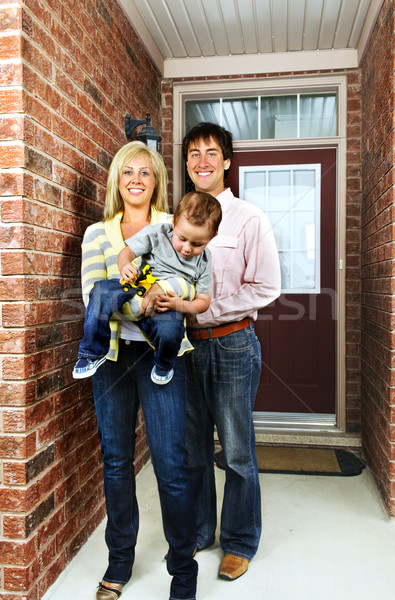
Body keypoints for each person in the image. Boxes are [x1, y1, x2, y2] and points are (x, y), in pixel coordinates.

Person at [79, 140, 198, 600]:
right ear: (116, 181)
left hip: (163, 357)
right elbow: (94, 296)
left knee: (171, 464)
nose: (135, 179)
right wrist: (152, 302)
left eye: (145, 172)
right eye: (127, 171)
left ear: (157, 182)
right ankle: (119, 561)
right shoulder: (96, 234)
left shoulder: (174, 228)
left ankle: (182, 570)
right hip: (112, 360)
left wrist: (167, 302)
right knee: (115, 462)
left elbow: (188, 286)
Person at [180, 122, 281, 581]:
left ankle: (239, 541)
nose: (202, 160)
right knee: (194, 448)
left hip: (232, 344)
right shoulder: (175, 219)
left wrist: (203, 311)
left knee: (237, 450)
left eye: (211, 152)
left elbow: (267, 286)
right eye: (193, 153)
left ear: (227, 161)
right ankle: (202, 530)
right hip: (184, 349)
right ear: (186, 163)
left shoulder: (249, 218)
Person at [73, 190, 221, 385]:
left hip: (164, 304)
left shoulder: (204, 259)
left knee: (170, 330)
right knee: (101, 291)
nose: (187, 248)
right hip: (137, 284)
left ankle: (163, 364)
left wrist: (180, 305)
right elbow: (127, 252)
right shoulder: (157, 233)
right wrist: (124, 265)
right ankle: (91, 352)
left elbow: (203, 301)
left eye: (197, 244)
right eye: (182, 239)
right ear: (173, 223)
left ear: (212, 237)